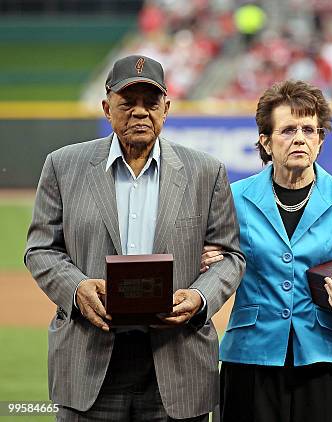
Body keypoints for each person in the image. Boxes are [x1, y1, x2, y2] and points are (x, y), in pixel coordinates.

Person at [24, 55, 245, 421]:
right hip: (89, 358)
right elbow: (40, 249)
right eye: (128, 102)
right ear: (107, 107)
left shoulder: (206, 172)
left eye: (151, 102)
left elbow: (231, 257)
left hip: (178, 361)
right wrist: (76, 288)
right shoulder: (63, 166)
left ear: (167, 108)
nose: (140, 112)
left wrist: (201, 296)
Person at [202, 80, 332, 422]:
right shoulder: (233, 197)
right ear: (265, 142)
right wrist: (210, 262)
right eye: (287, 130)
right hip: (250, 356)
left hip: (326, 356)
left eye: (309, 129)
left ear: (320, 140)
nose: (299, 137)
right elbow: (215, 263)